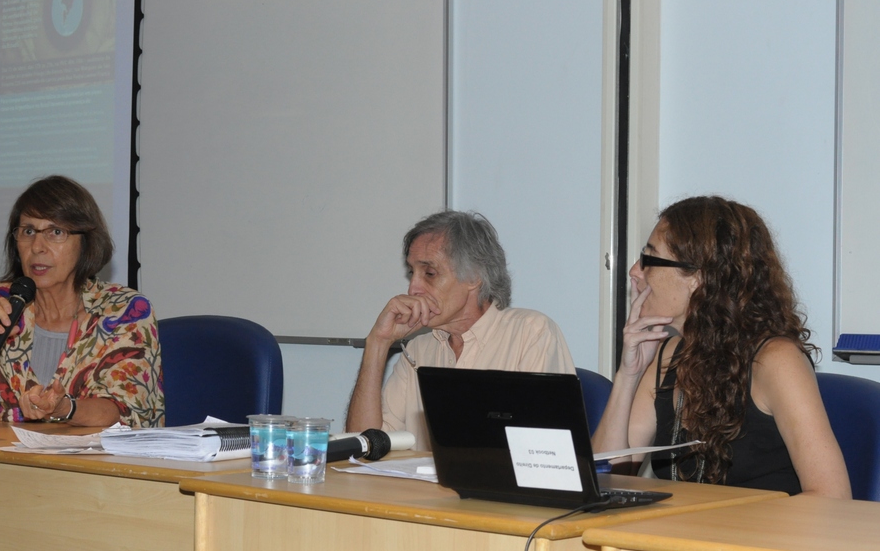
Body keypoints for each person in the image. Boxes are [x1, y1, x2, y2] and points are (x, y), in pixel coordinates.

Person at [591, 196, 850, 498]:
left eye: (649, 259)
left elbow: (832, 496)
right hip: (679, 541)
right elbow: (603, 479)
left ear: (698, 277)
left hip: (759, 541)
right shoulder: (667, 355)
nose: (635, 271)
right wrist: (628, 375)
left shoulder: (776, 360)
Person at [0, 175, 165, 427]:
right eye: (29, 231)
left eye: (56, 232)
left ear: (86, 242)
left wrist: (65, 408)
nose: (37, 247)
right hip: (1, 460)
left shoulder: (124, 311)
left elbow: (125, 411)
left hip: (95, 464)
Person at [345, 210, 575, 450]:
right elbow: (364, 447)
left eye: (430, 273)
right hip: (421, 488)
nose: (413, 288)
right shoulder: (419, 350)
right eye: (412, 272)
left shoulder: (531, 334)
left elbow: (543, 452)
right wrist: (378, 342)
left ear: (474, 276)